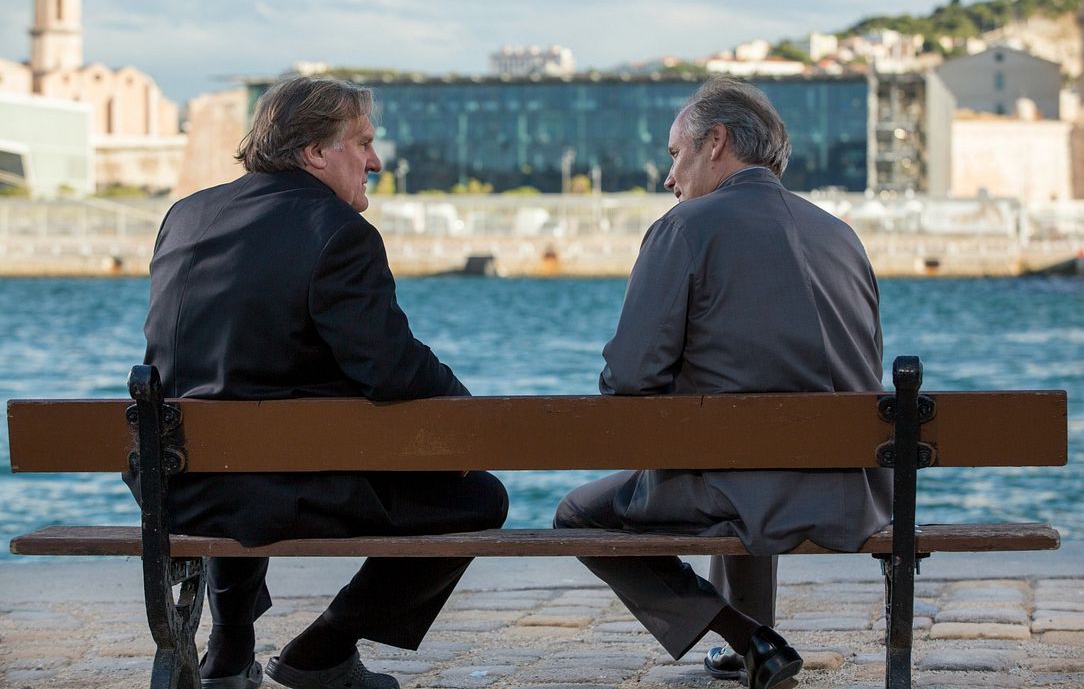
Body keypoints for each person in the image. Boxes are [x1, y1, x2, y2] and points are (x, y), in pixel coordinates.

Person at [125, 75, 508, 689]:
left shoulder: (186, 215)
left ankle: (229, 651)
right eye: (362, 143)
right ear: (314, 152)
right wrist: (459, 414)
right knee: (480, 499)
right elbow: (391, 370)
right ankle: (322, 650)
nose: (376, 161)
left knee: (244, 447)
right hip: (267, 489)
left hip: (172, 484)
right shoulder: (339, 233)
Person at [553, 76, 891, 689]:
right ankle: (751, 637)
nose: (669, 177)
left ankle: (748, 635)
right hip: (856, 493)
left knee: (579, 513)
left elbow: (629, 379)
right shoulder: (842, 235)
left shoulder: (684, 228)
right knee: (732, 457)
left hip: (748, 489)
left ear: (716, 142)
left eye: (674, 154)